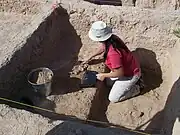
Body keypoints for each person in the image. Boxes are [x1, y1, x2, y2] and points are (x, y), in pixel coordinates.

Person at [84, 21, 144, 103]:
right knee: (108, 83)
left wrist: (103, 75)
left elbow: (119, 73)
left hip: (130, 75)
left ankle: (137, 87)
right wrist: (91, 56)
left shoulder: (113, 54)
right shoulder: (112, 39)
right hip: (128, 67)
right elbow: (103, 48)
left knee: (113, 98)